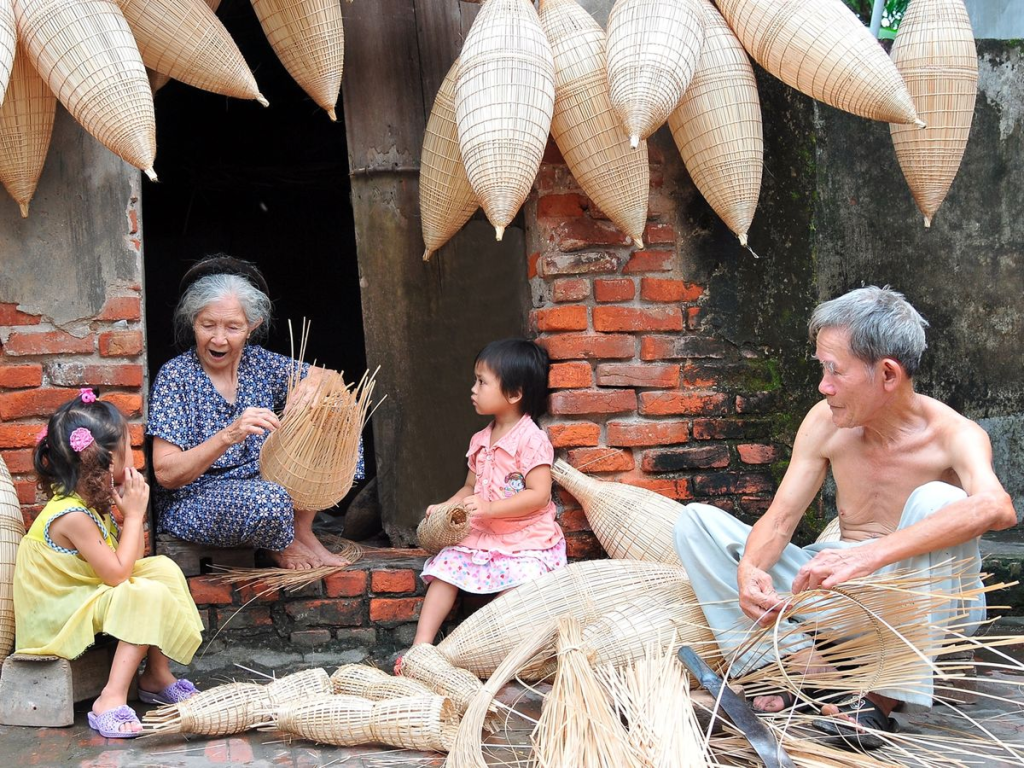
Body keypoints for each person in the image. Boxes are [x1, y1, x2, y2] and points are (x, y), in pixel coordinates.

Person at [673, 286, 1017, 749]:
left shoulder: (956, 434)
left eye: (835, 371)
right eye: (822, 368)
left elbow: (997, 507)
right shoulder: (824, 421)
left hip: (923, 602)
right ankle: (802, 671)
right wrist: (750, 571)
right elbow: (779, 520)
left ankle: (879, 700)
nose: (823, 385)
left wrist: (870, 556)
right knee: (695, 523)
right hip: (837, 591)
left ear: (888, 374)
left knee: (939, 499)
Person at [147, 256, 364, 571]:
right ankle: (280, 541)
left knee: (341, 419)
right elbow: (166, 474)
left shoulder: (259, 363)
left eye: (233, 327)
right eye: (208, 325)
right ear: (193, 321)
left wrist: (312, 390)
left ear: (251, 327)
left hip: (268, 482)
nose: (218, 338)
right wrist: (229, 435)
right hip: (198, 499)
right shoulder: (176, 376)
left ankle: (301, 531)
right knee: (270, 500)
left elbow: (331, 376)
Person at [14, 390, 204, 738]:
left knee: (162, 569)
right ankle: (110, 698)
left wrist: (126, 516)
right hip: (57, 612)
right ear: (104, 459)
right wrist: (133, 516)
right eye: (127, 448)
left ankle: (156, 675)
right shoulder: (71, 515)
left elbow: (129, 563)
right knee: (141, 593)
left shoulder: (91, 502)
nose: (133, 456)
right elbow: (118, 575)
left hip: (83, 592)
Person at [403, 339, 566, 658]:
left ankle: (493, 651)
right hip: (485, 534)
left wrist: (491, 507)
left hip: (524, 537)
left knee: (522, 583)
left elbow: (539, 494)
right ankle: (420, 648)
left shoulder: (531, 440)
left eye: (482, 382)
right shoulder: (480, 439)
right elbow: (469, 488)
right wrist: (447, 506)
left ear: (515, 393)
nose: (473, 389)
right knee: (445, 569)